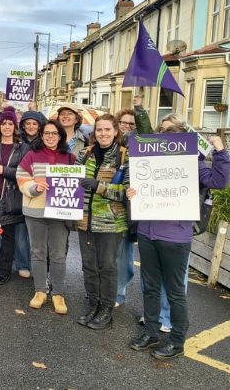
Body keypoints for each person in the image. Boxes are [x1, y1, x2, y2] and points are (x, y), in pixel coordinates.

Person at [128, 115, 229, 359]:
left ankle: (177, 341)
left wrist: (220, 150)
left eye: (172, 135)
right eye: (163, 135)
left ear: (183, 139)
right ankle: (151, 332)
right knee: (150, 287)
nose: (166, 139)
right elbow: (140, 186)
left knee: (174, 291)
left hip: (175, 236)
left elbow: (219, 181)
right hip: (147, 231)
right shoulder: (149, 160)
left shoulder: (192, 162)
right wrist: (132, 192)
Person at [75, 114, 129, 330]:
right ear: (94, 133)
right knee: (89, 265)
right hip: (84, 220)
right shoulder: (85, 153)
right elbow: (71, 181)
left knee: (107, 266)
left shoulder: (125, 157)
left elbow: (127, 192)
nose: (103, 134)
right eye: (99, 130)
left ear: (116, 131)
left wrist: (98, 186)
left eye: (107, 129)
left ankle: (106, 309)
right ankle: (93, 303)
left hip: (110, 222)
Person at [16, 120, 75, 314]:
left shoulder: (70, 158)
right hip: (35, 212)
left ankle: (58, 294)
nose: (50, 137)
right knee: (38, 252)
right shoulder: (31, 156)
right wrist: (34, 187)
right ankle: (40, 291)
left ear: (60, 136)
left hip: (60, 212)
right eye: (46, 133)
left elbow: (77, 183)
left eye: (54, 133)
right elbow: (21, 178)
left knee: (58, 255)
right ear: (41, 136)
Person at [0, 107, 30, 285]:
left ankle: (4, 271)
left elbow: (26, 174)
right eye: (3, 124)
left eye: (10, 124)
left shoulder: (23, 148)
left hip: (10, 200)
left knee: (7, 235)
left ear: (15, 127)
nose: (7, 127)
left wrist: (6, 171)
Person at [114, 109, 139, 307]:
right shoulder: (110, 146)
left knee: (123, 257)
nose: (128, 127)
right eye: (124, 123)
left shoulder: (139, 151)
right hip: (103, 210)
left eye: (132, 124)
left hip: (126, 211)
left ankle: (118, 294)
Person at [16, 109, 43, 279]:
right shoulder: (17, 141)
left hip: (39, 190)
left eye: (35, 123)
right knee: (20, 231)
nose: (31, 126)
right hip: (20, 188)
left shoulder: (45, 141)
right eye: (28, 124)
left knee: (37, 234)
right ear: (23, 126)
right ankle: (22, 263)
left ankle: (37, 265)